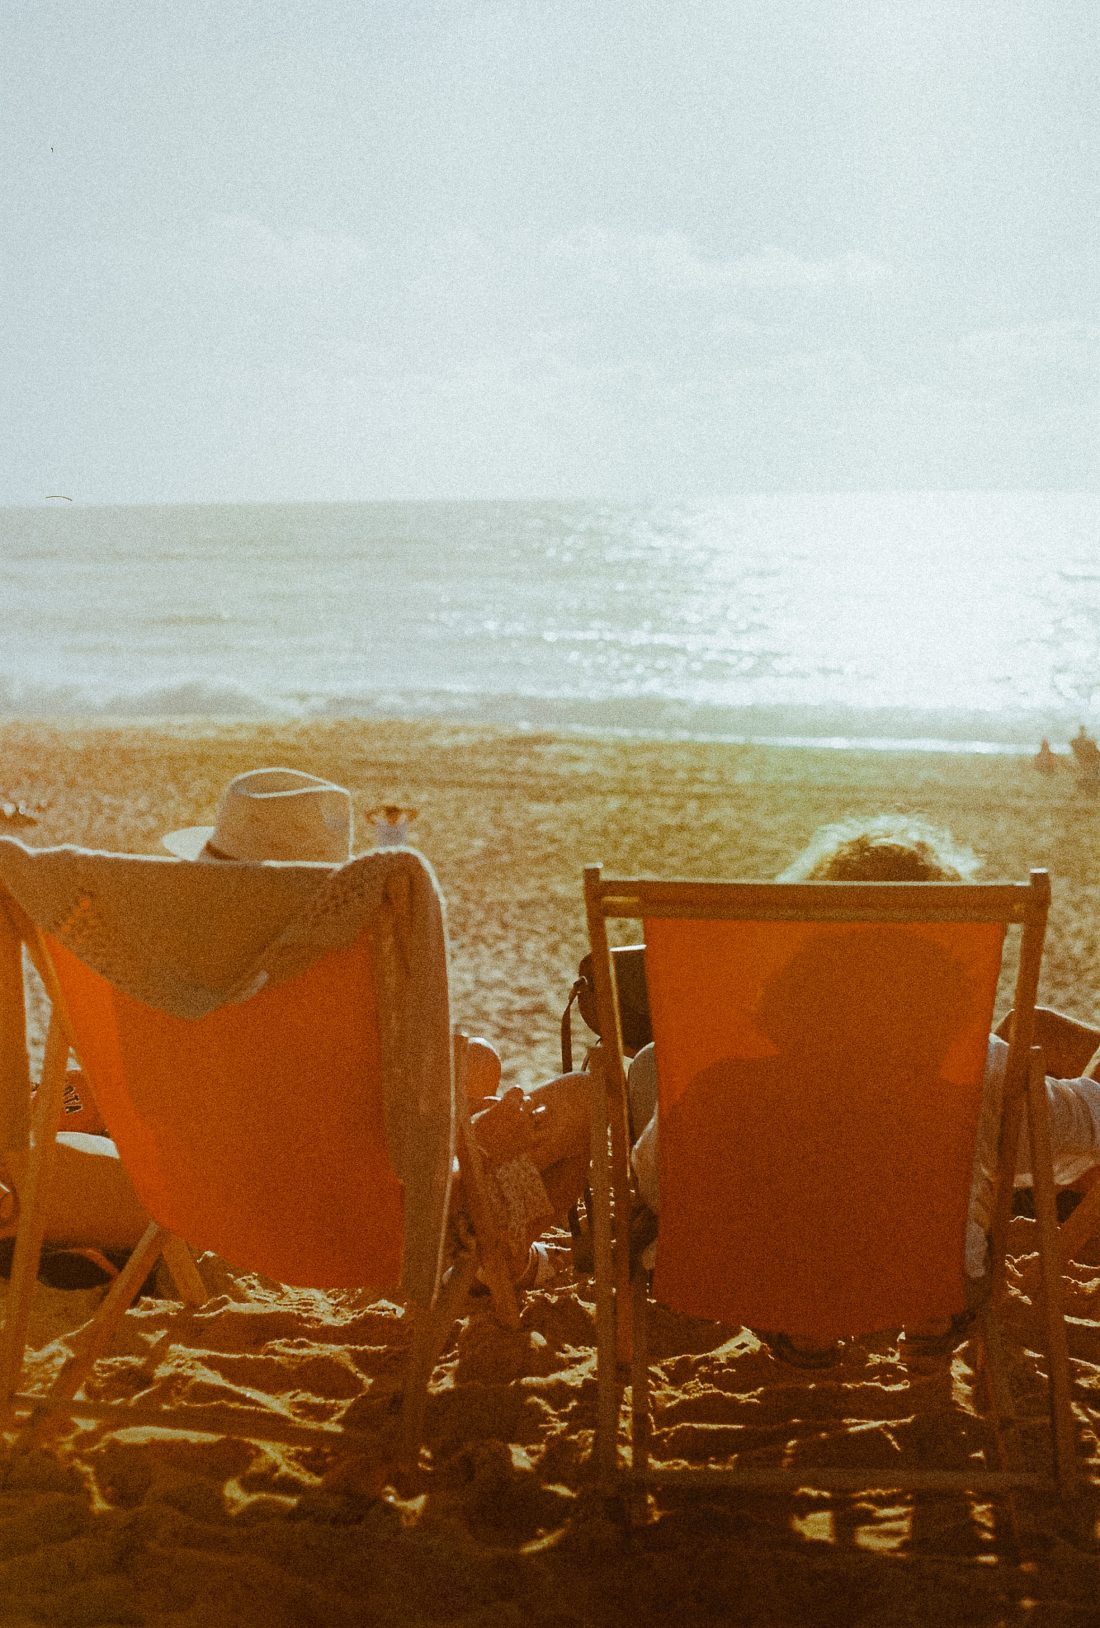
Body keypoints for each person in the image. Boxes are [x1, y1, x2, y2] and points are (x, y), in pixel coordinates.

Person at [626, 815, 1100, 1360]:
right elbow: (1073, 1134)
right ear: (943, 948)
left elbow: (660, 1181)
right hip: (928, 1278)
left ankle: (804, 1324)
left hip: (759, 1283)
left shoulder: (724, 1079)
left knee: (649, 1069)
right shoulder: (978, 1071)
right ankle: (930, 1319)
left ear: (801, 942)